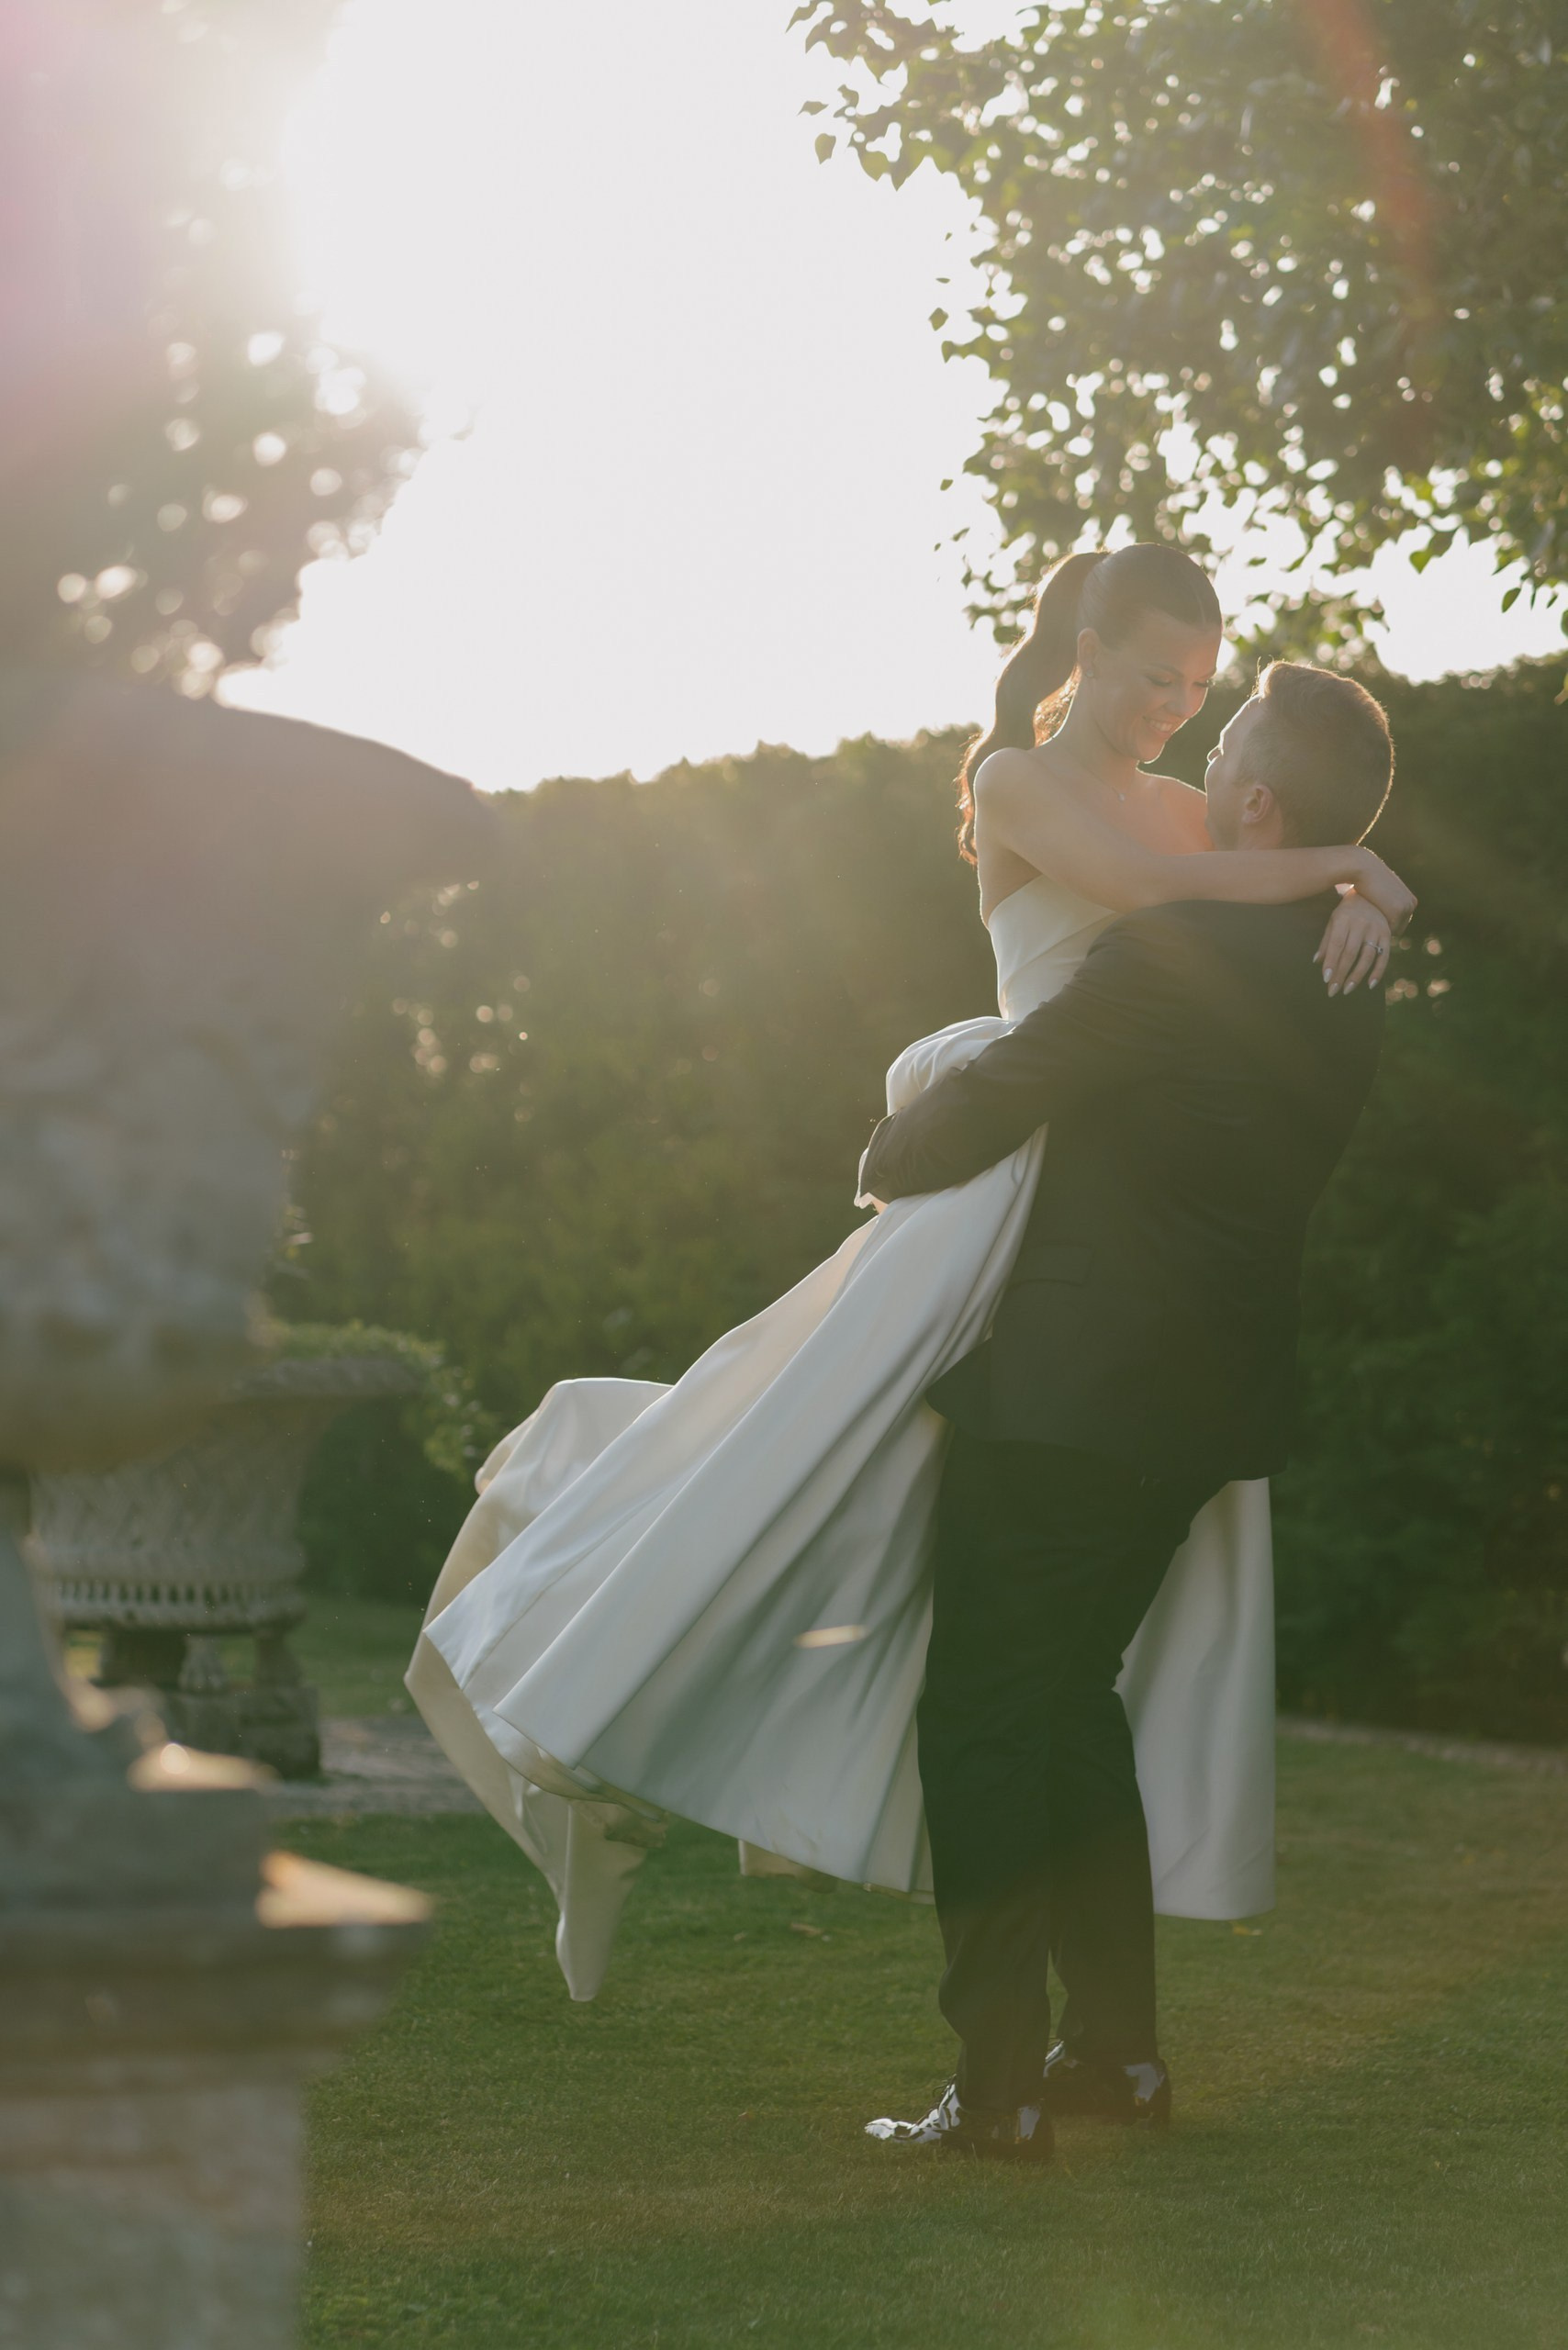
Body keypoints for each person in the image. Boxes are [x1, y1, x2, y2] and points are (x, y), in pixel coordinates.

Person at [406, 544, 1411, 2028]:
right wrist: (1351, 864)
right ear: (1085, 642)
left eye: (1198, 690)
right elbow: (1161, 891)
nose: (1171, 711)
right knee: (793, 1469)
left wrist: (1375, 886)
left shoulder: (1208, 810)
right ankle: (606, 1749)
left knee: (924, 1578)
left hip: (1097, 1213)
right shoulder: (1017, 782)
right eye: (1150, 676)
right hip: (1006, 1174)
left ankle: (1015, 2025)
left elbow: (1247, 881)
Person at [858, 651, 1396, 2164]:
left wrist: (880, 1158)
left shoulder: (1173, 956)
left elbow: (1008, 1088)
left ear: (1256, 799)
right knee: (1071, 1702)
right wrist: (1361, 878)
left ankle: (998, 2088)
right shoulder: (1346, 972)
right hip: (1199, 1408)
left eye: (1224, 742)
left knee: (981, 1710)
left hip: (1068, 1396)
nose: (1205, 764)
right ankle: (1117, 2061)